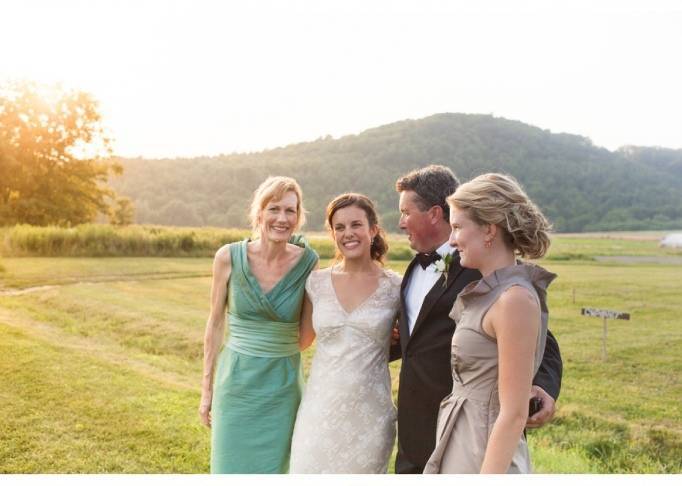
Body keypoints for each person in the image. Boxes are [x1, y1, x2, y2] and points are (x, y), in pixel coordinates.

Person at [391, 165, 563, 474]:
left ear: (489, 230)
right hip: (426, 430)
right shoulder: (415, 271)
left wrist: (541, 385)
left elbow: (537, 341)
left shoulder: (503, 286)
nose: (400, 222)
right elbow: (414, 342)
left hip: (481, 435)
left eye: (405, 212)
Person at [198, 176, 318, 474]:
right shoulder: (227, 257)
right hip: (235, 383)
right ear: (259, 213)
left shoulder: (309, 263)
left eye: (290, 210)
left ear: (298, 217)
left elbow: (306, 335)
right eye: (274, 208)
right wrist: (206, 389)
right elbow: (214, 324)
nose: (282, 218)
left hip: (283, 387)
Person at [289, 193, 401, 473]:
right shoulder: (315, 283)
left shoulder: (396, 287)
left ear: (373, 230)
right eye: (339, 227)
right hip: (318, 412)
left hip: (370, 420)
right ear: (332, 234)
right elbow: (300, 341)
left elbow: (416, 342)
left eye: (356, 225)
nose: (348, 233)